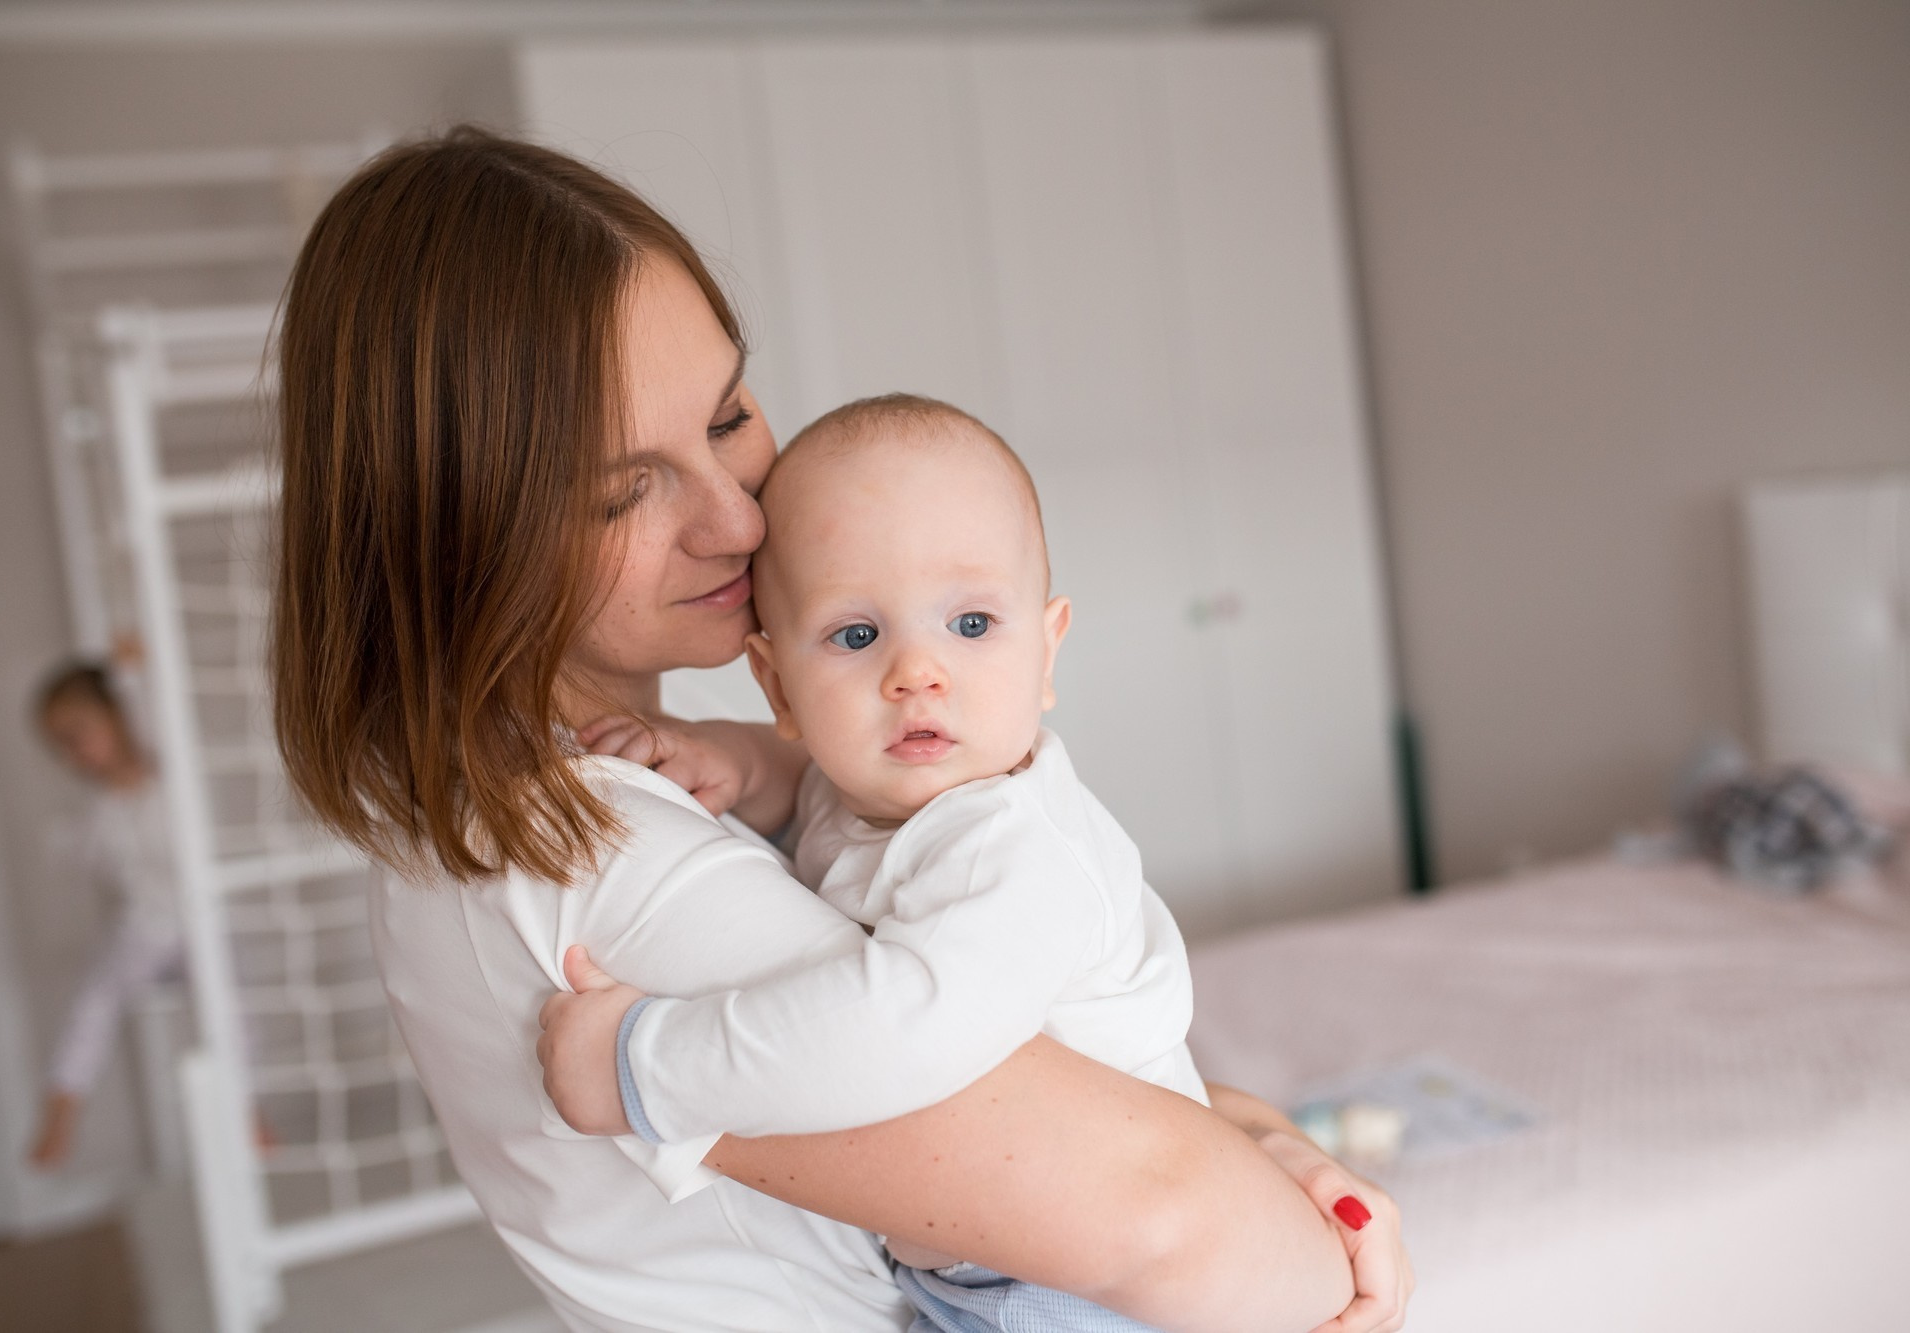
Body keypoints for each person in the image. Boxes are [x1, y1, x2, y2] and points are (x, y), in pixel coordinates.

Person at [270, 127, 1410, 1333]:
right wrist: (1267, 1191)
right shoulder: (582, 854)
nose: (737, 520)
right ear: (457, 534)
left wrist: (1263, 1137)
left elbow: (1039, 1090)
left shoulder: (575, 797)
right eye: (621, 490)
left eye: (725, 418)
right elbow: (1169, 1216)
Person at [541, 393, 1242, 1331]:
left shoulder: (1017, 852)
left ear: (1047, 648)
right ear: (777, 684)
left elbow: (897, 1031)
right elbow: (815, 790)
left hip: (1083, 1285)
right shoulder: (884, 787)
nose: (917, 671)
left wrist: (647, 1068)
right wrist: (734, 759)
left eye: (974, 624)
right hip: (987, 1255)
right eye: (858, 636)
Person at [28, 651, 181, 1169]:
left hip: (198, 921)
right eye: (61, 749)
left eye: (76, 737)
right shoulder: (103, 811)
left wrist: (130, 671)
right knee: (96, 995)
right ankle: (62, 1107)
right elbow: (94, 858)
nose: (73, 758)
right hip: (148, 927)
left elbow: (150, 704)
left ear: (117, 716)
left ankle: (252, 1113)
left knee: (231, 1002)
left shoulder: (167, 770)